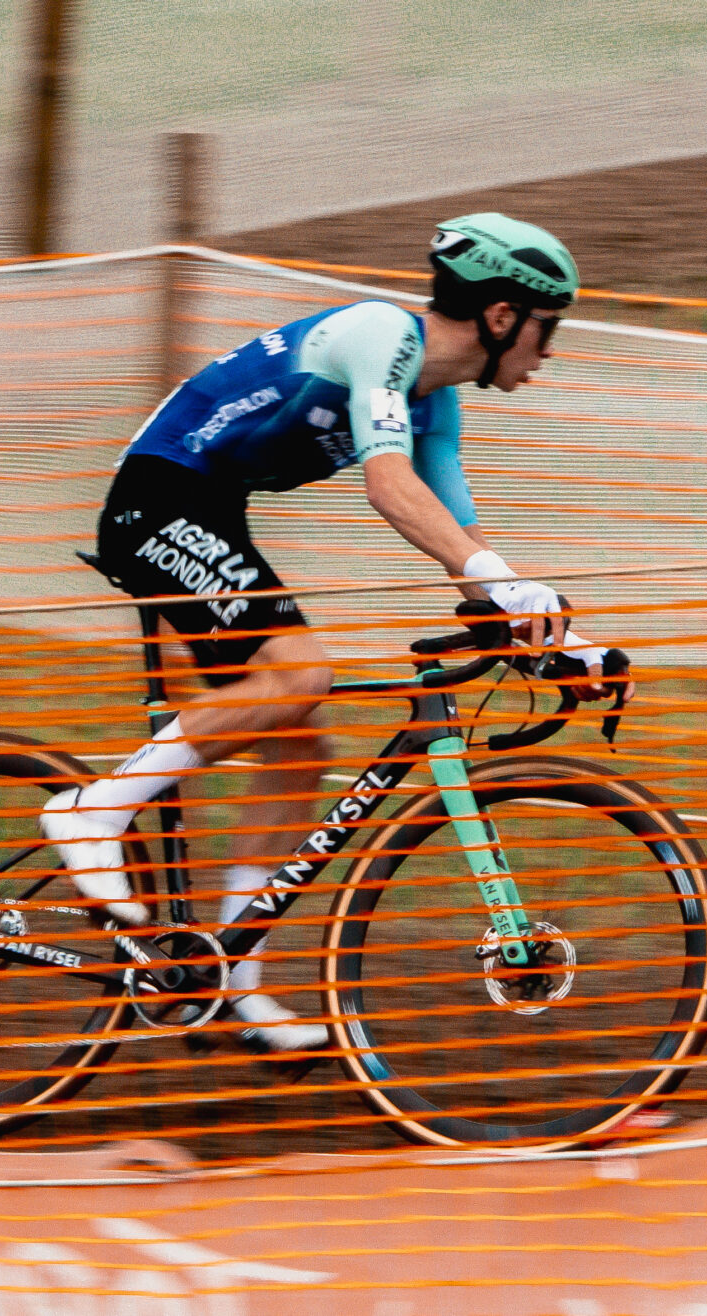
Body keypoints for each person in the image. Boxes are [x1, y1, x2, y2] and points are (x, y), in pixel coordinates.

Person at [41, 213, 611, 1056]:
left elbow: (466, 546)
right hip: (157, 501)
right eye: (545, 325)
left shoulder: (436, 399)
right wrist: (497, 579)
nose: (548, 348)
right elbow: (389, 485)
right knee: (300, 675)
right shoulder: (383, 337)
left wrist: (555, 636)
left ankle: (229, 984)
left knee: (300, 744)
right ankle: (91, 812)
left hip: (208, 509)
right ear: (500, 316)